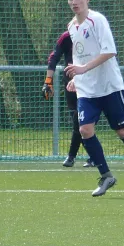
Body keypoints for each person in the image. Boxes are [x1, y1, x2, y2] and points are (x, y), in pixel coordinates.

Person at [62, 0, 124, 198]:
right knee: (85, 130)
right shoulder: (72, 26)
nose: (74, 2)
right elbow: (80, 55)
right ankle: (106, 175)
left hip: (109, 86)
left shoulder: (97, 20)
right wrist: (77, 76)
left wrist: (83, 69)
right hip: (87, 90)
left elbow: (109, 51)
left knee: (122, 131)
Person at [42, 31, 94, 168]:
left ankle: (73, 156)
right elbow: (54, 57)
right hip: (70, 86)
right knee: (78, 122)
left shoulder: (91, 36)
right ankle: (93, 157)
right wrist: (48, 82)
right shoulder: (66, 37)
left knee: (81, 122)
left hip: (88, 85)